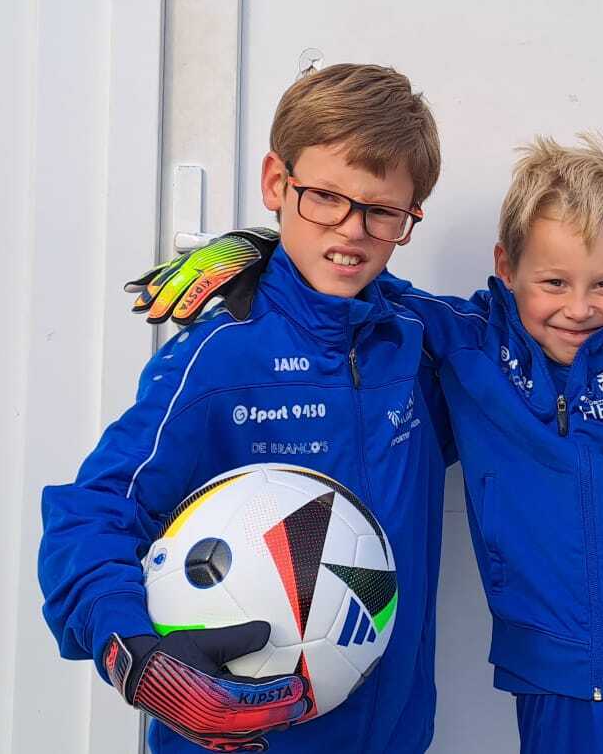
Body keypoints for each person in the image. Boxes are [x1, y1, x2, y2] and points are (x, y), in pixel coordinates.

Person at [132, 134, 603, 753]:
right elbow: (361, 289)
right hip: (553, 698)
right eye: (552, 281)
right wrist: (266, 254)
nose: (580, 309)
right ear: (505, 266)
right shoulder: (472, 346)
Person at [39, 64, 449, 753]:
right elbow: (91, 512)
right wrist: (134, 655)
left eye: (382, 211)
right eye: (324, 197)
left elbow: (539, 337)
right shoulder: (218, 359)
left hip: (391, 737)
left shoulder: (418, 341)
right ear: (275, 183)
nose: (351, 231)